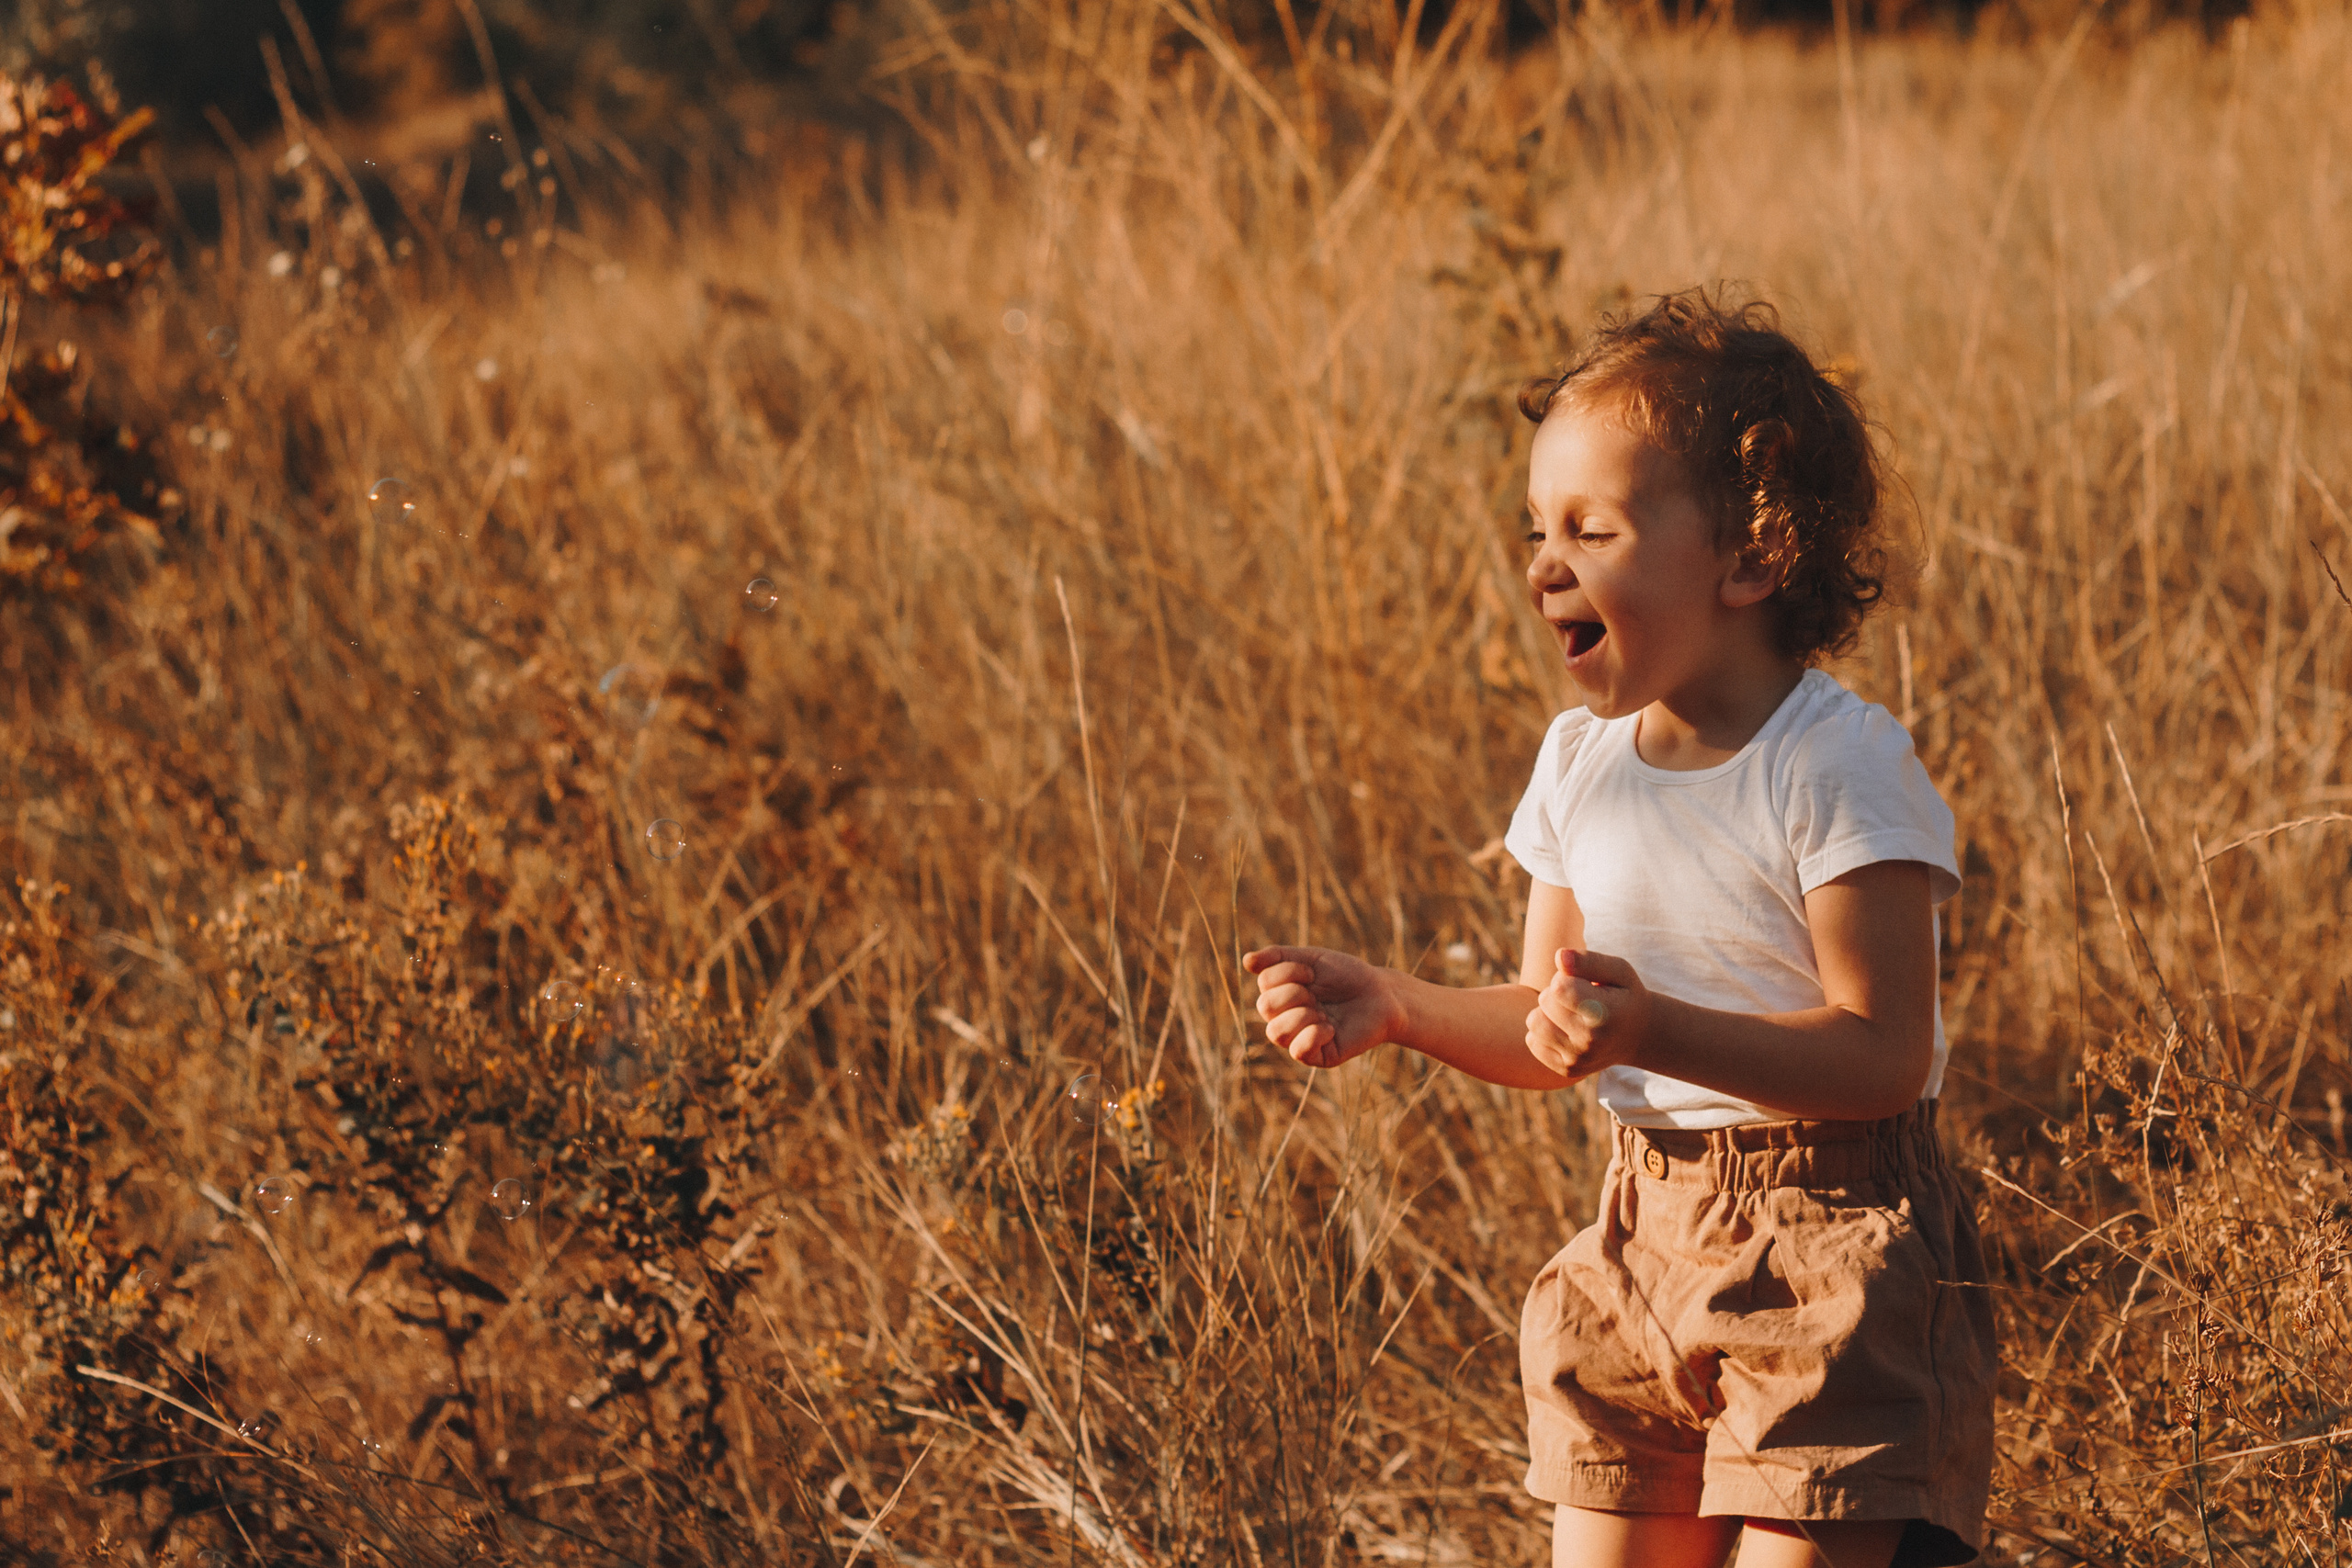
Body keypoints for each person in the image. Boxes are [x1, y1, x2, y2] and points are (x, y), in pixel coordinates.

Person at [1243, 289, 1995, 1568]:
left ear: (1752, 558)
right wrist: (1404, 1007)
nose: (1545, 563)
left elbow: (1882, 1057)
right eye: (1537, 529)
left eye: (1592, 529)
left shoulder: (1836, 766)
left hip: (1827, 1251)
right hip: (1637, 1239)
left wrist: (1655, 1026)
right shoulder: (1580, 764)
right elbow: (1554, 1028)